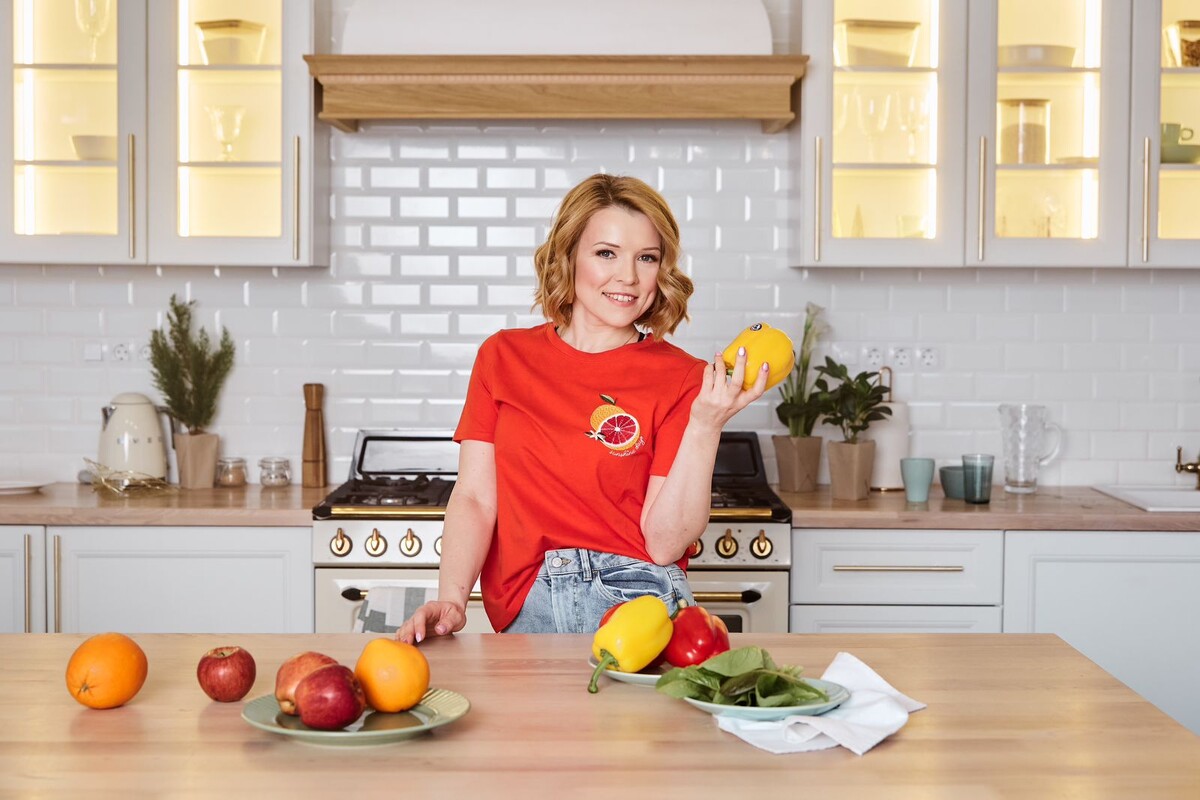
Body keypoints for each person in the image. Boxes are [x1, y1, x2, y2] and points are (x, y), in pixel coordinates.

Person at [395, 173, 770, 643]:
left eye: (647, 257)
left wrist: (706, 425)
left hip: (637, 599)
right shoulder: (502, 357)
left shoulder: (683, 377)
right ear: (568, 256)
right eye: (606, 253)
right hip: (525, 603)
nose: (628, 276)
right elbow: (474, 497)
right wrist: (452, 599)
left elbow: (664, 543)